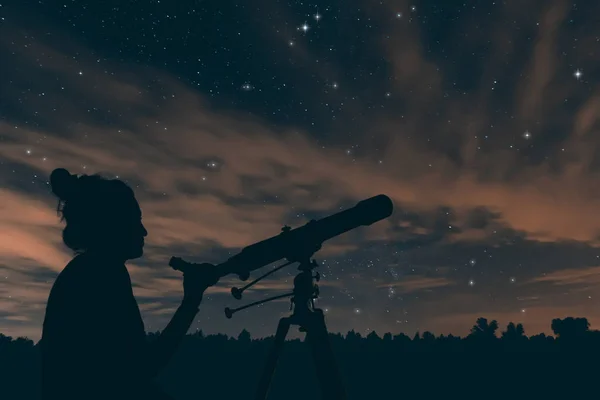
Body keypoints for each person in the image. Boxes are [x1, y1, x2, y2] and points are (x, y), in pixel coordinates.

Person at [40, 168, 220, 400]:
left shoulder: (87, 271)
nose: (144, 231)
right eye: (136, 220)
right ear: (113, 224)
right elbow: (141, 368)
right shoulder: (102, 274)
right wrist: (192, 299)